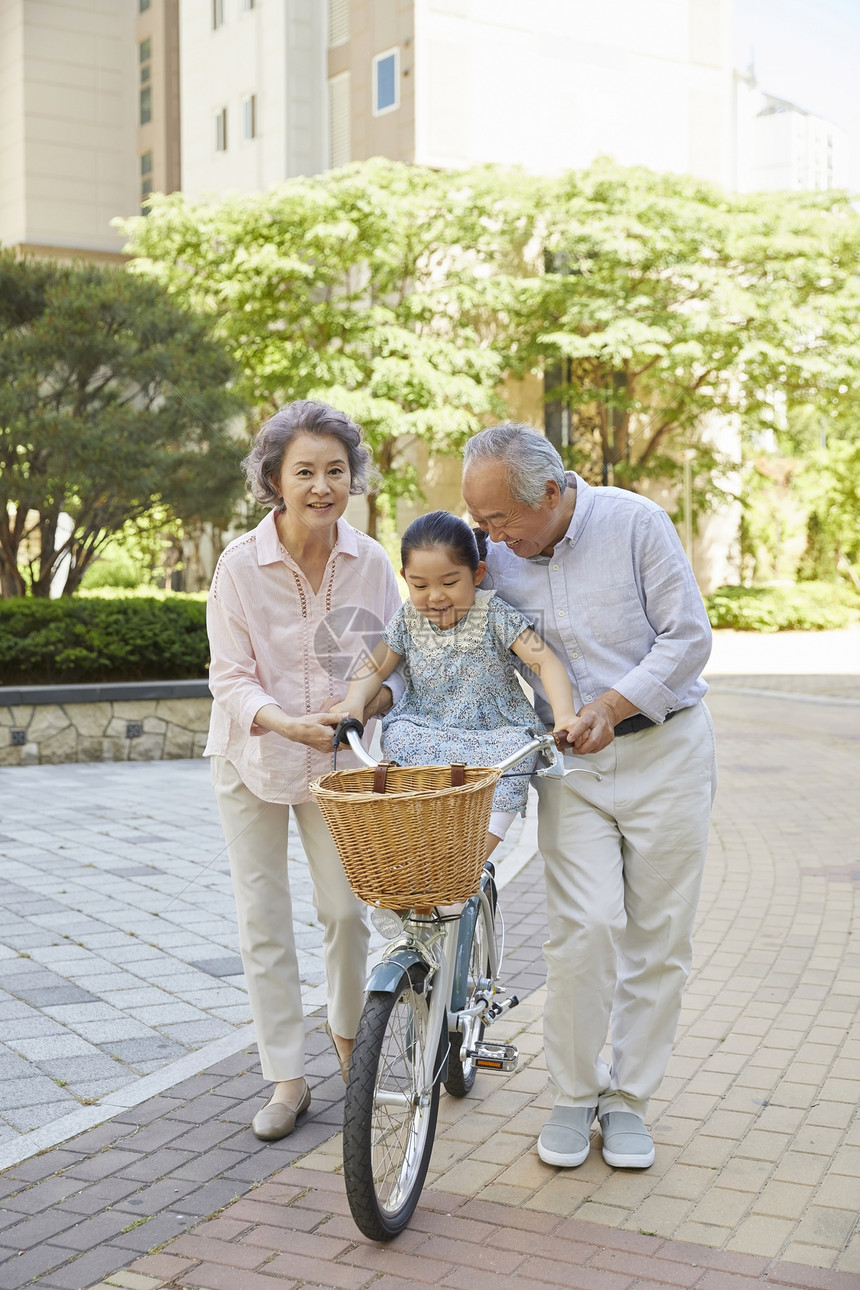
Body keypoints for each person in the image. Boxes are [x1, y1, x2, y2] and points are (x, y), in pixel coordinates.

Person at [461, 422, 717, 1171]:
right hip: (569, 766)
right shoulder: (497, 557)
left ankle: (630, 1100)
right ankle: (574, 1095)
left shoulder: (635, 522)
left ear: (550, 491)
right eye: (479, 523)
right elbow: (448, 620)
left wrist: (610, 705)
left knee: (659, 937)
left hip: (665, 750)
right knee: (584, 931)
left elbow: (688, 637)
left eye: (499, 520)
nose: (491, 539)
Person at [204, 400, 402, 1141]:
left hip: (338, 761)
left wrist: (362, 705)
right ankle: (287, 1078)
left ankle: (352, 1046)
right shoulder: (237, 564)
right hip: (253, 754)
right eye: (305, 472)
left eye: (336, 471)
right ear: (274, 481)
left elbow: (391, 666)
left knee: (347, 912)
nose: (322, 486)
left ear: (353, 477)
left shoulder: (372, 560)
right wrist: (285, 721)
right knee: (264, 923)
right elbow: (229, 677)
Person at [333, 510, 580, 858]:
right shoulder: (408, 618)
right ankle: (420, 850)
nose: (435, 596)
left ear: (477, 574)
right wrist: (353, 706)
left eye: (450, 583)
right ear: (405, 578)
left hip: (491, 733)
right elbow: (373, 669)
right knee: (399, 736)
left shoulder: (494, 613)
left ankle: (467, 862)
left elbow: (546, 662)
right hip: (428, 727)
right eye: (420, 585)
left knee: (515, 752)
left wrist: (566, 715)